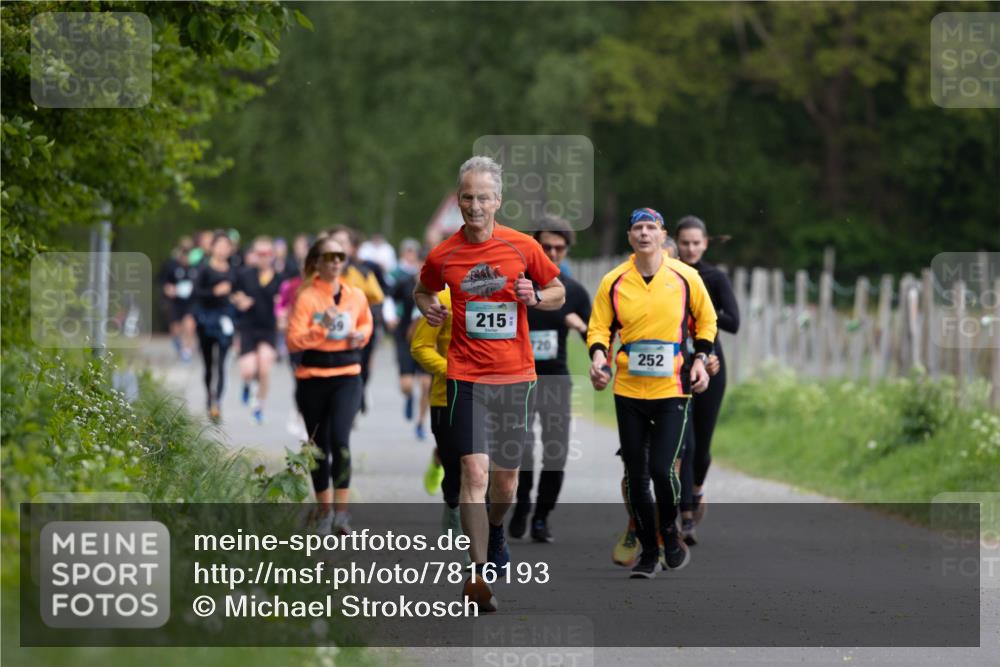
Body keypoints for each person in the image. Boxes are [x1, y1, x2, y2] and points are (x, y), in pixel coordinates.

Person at [414, 156, 565, 611]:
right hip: (466, 378)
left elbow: (557, 292)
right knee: (474, 474)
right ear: (458, 201)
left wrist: (535, 296)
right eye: (467, 197)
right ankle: (477, 574)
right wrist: (429, 307)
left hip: (515, 379)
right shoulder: (444, 253)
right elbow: (422, 289)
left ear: (498, 200)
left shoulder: (521, 247)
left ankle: (497, 531)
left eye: (482, 197)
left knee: (506, 487)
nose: (474, 205)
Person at [587, 207, 717, 578]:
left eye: (651, 228)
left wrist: (700, 358)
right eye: (638, 228)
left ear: (662, 235)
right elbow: (599, 328)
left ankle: (669, 535)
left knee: (662, 470)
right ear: (630, 237)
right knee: (635, 474)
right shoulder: (614, 280)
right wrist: (598, 357)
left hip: (672, 389)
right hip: (628, 390)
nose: (644, 234)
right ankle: (647, 550)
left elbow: (707, 320)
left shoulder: (685, 277)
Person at [509, 215, 591, 543]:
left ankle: (542, 517)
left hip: (556, 379)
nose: (553, 254)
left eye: (559, 248)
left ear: (567, 251)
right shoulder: (517, 285)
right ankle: (522, 502)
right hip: (519, 378)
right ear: (534, 246)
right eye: (546, 247)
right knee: (523, 450)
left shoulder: (575, 292)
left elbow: (596, 341)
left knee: (556, 452)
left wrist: (581, 327)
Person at [287, 236, 372, 535]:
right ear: (318, 263)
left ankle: (342, 514)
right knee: (319, 447)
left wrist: (360, 335)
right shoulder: (307, 297)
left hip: (347, 375)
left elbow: (365, 323)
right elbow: (294, 339)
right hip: (312, 378)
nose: (336, 261)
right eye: (329, 257)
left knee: (341, 441)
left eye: (340, 256)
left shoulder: (356, 295)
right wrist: (321, 327)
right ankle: (324, 511)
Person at [675, 215, 739, 544]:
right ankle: (685, 518)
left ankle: (697, 490)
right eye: (684, 242)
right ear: (676, 243)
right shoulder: (667, 273)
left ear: (705, 243)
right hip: (674, 368)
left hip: (712, 365)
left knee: (702, 449)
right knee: (685, 446)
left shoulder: (714, 277)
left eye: (696, 243)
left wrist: (703, 306)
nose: (690, 248)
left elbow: (733, 322)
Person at [410, 288, 463, 527]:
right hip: (447, 397)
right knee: (455, 470)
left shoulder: (502, 296)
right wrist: (452, 370)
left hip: (491, 396)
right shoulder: (443, 300)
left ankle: (479, 538)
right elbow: (420, 346)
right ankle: (452, 506)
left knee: (480, 471)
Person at [330, 226, 385, 415]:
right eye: (334, 243)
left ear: (351, 248)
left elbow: (378, 298)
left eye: (343, 243)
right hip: (329, 333)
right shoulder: (319, 272)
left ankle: (354, 399)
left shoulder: (362, 272)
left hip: (357, 331)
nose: (338, 247)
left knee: (359, 369)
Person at [233, 236, 282, 424]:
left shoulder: (279, 278)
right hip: (248, 328)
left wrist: (282, 308)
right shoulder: (245, 275)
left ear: (273, 255)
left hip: (269, 329)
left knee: (264, 368)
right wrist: (240, 301)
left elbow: (286, 300)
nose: (264, 257)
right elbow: (233, 294)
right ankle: (246, 385)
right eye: (260, 253)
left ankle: (259, 406)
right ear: (254, 255)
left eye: (267, 254)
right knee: (248, 370)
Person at [193, 232, 238, 422]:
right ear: (212, 248)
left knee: (222, 363)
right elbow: (195, 293)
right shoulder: (203, 268)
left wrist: (237, 299)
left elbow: (238, 292)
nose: (222, 249)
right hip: (206, 319)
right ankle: (208, 395)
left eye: (225, 246)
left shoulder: (234, 270)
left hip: (225, 319)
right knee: (209, 364)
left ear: (230, 249)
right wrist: (214, 291)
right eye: (218, 245)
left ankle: (217, 402)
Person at [390, 239, 432, 439]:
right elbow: (390, 298)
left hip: (429, 341)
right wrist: (391, 318)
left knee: (426, 384)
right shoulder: (405, 284)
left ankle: (420, 423)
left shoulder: (439, 287)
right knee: (406, 385)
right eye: (421, 264)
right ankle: (409, 397)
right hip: (405, 337)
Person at [160, 236, 197, 361]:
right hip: (175, 302)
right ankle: (178, 344)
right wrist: (169, 289)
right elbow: (164, 283)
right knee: (176, 328)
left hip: (190, 302)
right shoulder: (172, 266)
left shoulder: (196, 267)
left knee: (189, 325)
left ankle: (187, 350)